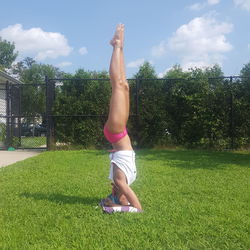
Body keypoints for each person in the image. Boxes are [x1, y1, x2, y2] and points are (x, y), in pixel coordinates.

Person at [102, 24, 142, 210]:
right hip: (119, 137)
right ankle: (120, 47)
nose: (127, 199)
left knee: (117, 86)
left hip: (116, 133)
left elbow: (133, 203)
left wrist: (134, 208)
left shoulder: (121, 182)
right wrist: (117, 198)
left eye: (124, 199)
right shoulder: (124, 181)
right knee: (124, 85)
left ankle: (116, 46)